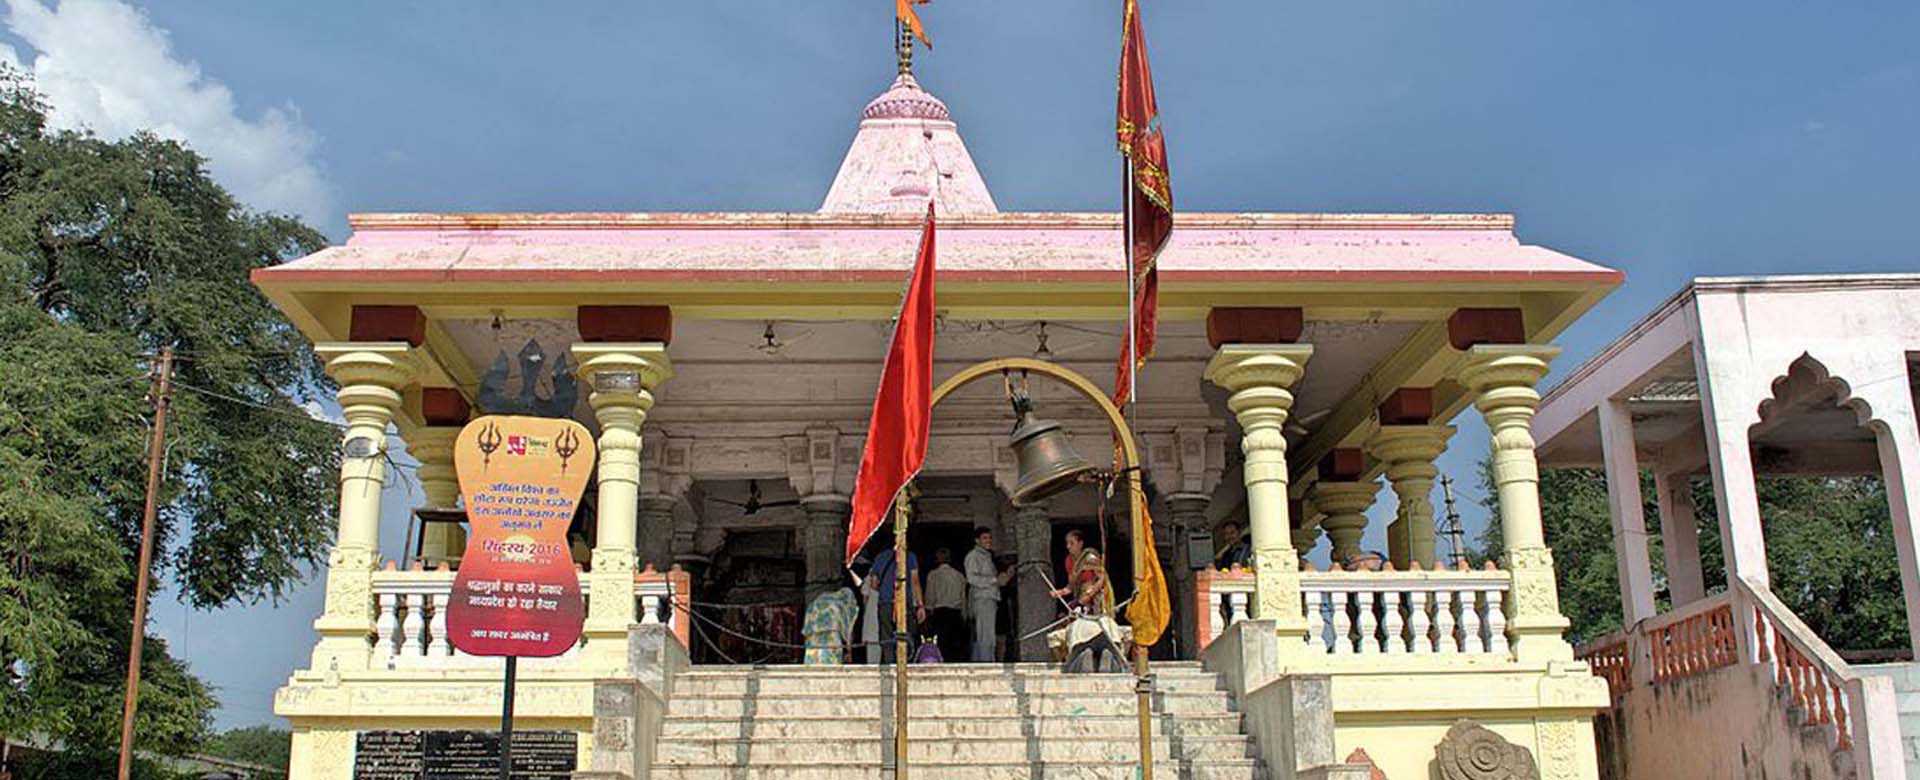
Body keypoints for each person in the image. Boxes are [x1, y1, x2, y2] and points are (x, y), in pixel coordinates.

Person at [1048, 529, 1124, 673]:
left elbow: (1102, 578)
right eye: (1067, 543)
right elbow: (1071, 586)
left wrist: (1090, 593)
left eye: (1072, 543)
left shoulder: (1090, 557)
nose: (1068, 546)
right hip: (1080, 598)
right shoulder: (1069, 561)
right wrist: (1060, 592)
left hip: (1096, 598)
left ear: (1080, 543)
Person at [868, 542, 926, 664]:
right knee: (906, 635)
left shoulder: (880, 557)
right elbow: (915, 581)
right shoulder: (909, 556)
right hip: (904, 602)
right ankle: (905, 662)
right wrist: (920, 605)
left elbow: (873, 584)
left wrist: (885, 589)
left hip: (885, 603)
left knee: (886, 636)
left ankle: (889, 663)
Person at [963, 527, 1012, 662]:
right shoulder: (973, 556)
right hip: (982, 598)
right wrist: (994, 579)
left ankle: (984, 661)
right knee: (985, 635)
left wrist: (1006, 576)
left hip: (990, 598)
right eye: (985, 538)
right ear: (977, 540)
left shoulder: (987, 556)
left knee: (987, 634)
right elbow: (972, 578)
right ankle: (986, 662)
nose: (988, 541)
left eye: (990, 538)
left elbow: (996, 581)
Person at [802, 576, 860, 665]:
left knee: (814, 664)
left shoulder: (818, 601)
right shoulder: (842, 606)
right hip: (832, 638)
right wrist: (849, 651)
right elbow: (848, 631)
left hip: (813, 637)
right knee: (830, 663)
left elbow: (806, 627)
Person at [924, 547, 968, 662]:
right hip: (956, 613)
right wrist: (965, 614)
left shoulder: (933, 575)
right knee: (955, 645)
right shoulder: (959, 576)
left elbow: (930, 596)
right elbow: (963, 598)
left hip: (940, 613)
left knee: (942, 645)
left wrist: (928, 611)